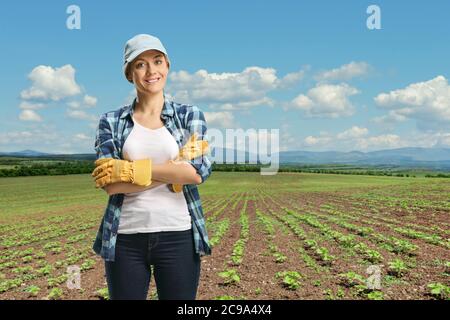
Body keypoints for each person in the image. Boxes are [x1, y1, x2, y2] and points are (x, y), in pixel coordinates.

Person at [91, 34, 212, 300]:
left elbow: (195, 173)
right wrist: (173, 170)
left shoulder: (189, 115)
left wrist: (132, 170)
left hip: (178, 235)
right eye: (140, 64)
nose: (151, 70)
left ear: (167, 66)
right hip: (124, 238)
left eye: (157, 61)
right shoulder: (110, 121)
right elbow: (111, 185)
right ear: (129, 73)